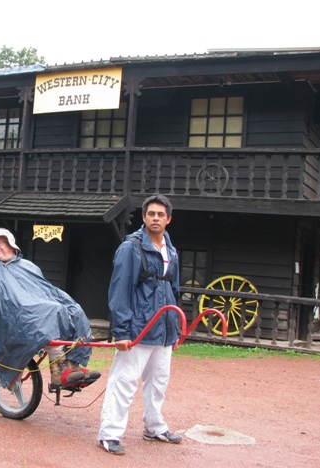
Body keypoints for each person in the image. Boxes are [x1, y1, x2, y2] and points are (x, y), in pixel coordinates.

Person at [0, 227, 100, 389]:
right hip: (13, 314)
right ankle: (59, 372)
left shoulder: (27, 266)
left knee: (74, 309)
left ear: (11, 245)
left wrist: (60, 303)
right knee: (51, 309)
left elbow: (45, 290)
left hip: (34, 307)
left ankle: (73, 364)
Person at [98, 194, 183, 455]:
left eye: (160, 214)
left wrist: (177, 328)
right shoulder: (131, 248)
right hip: (139, 327)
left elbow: (175, 290)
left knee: (159, 381)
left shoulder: (171, 250)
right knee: (124, 381)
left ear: (168, 219)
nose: (155, 218)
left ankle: (154, 427)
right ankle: (109, 434)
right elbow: (120, 290)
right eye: (150, 214)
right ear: (144, 218)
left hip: (164, 327)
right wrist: (121, 330)